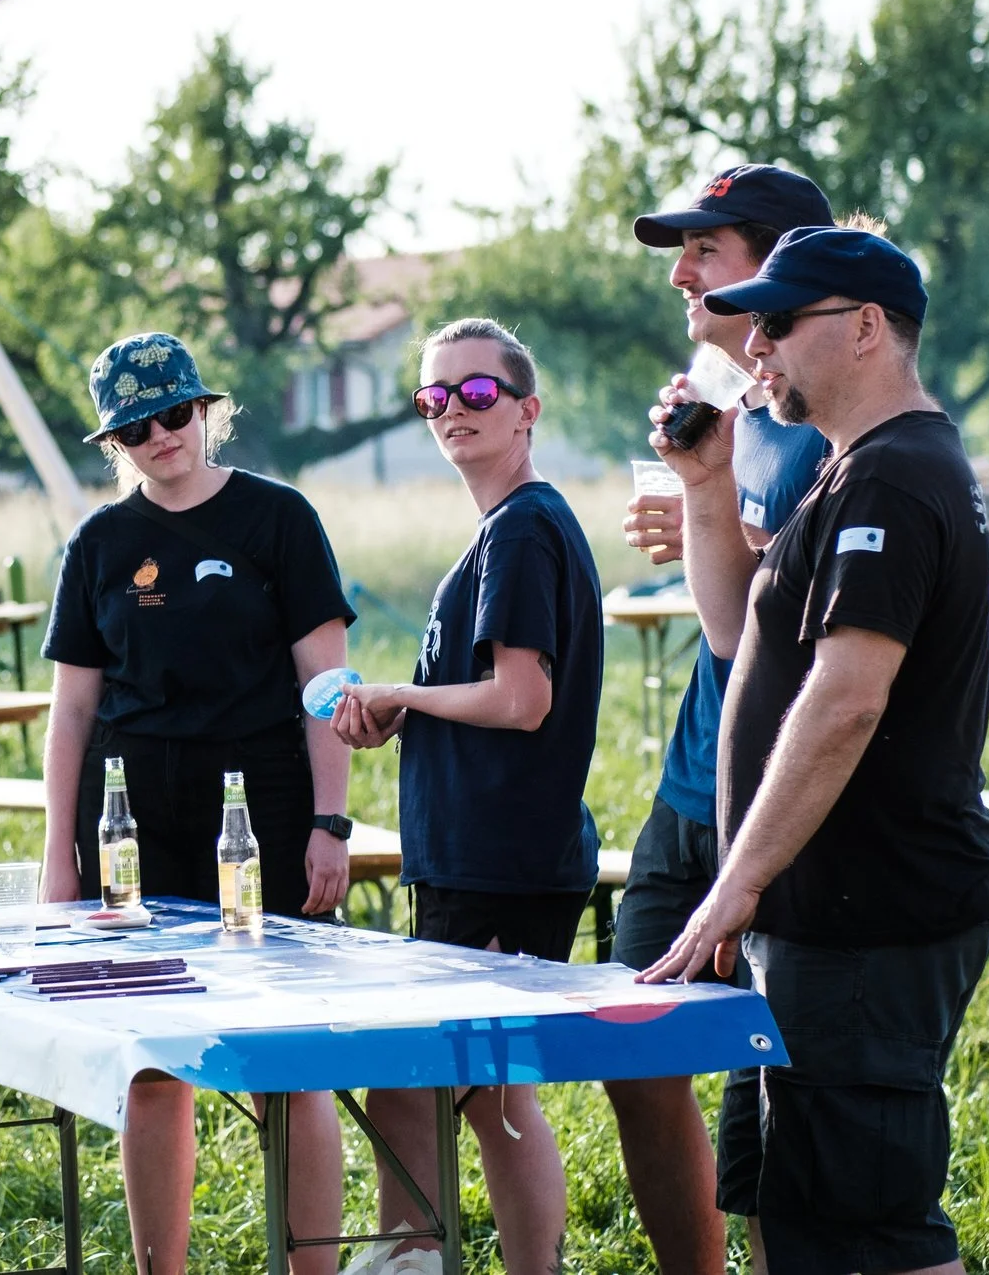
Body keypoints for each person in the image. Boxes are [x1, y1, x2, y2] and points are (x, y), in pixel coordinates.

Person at [639, 228, 989, 1275]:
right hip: (817, 915)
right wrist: (708, 481)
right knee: (792, 1204)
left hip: (869, 917)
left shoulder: (892, 477)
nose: (754, 346)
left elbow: (845, 699)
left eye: (779, 321)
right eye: (751, 321)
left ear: (863, 328)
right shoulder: (854, 470)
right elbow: (732, 635)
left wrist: (732, 885)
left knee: (873, 1224)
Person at [39, 330, 355, 1275]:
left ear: (206, 411)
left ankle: (312, 1267)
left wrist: (330, 823)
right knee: (152, 1060)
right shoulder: (98, 541)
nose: (162, 436)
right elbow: (72, 712)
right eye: (136, 429)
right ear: (115, 446)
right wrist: (62, 851)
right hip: (132, 815)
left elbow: (328, 686)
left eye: (175, 413)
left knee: (287, 1060)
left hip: (261, 804)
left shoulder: (280, 520)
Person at [330, 318, 603, 1275]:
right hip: (493, 857)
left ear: (527, 410)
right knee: (491, 1095)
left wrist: (402, 693)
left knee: (416, 1085)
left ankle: (406, 1259)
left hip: (499, 861)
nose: (454, 409)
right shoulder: (505, 528)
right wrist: (412, 711)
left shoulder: (524, 527)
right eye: (434, 395)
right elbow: (493, 695)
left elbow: (524, 700)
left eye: (478, 391)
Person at [604, 165, 835, 1275]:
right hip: (692, 787)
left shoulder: (826, 433)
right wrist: (699, 496)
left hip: (779, 802)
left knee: (771, 1093)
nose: (681, 271)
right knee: (628, 1046)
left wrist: (712, 517)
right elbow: (728, 623)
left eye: (707, 247)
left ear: (781, 267)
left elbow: (774, 638)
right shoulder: (735, 409)